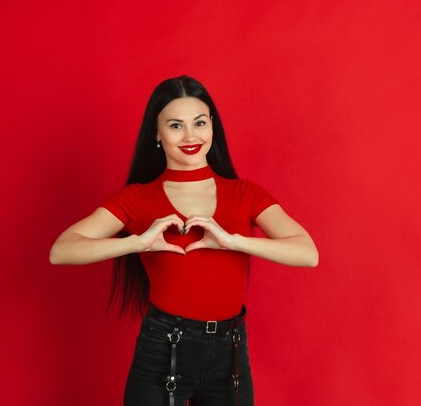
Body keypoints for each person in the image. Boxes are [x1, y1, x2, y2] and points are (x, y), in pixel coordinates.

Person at [49, 75, 318, 406]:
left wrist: (233, 241)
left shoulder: (244, 193)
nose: (191, 136)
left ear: (212, 127)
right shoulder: (137, 199)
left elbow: (307, 252)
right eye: (176, 126)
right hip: (164, 348)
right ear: (157, 134)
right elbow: (61, 250)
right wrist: (137, 242)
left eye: (199, 123)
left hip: (231, 352)